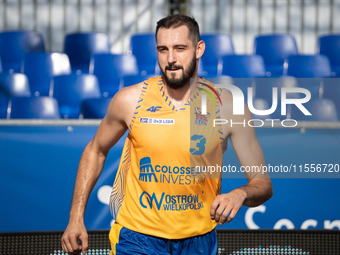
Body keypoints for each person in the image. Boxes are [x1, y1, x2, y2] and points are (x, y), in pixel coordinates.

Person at [61, 14, 273, 255]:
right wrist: (76, 218)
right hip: (136, 239)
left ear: (198, 49)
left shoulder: (228, 106)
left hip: (199, 242)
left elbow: (263, 184)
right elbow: (95, 150)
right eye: (163, 50)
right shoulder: (130, 100)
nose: (170, 59)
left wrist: (240, 194)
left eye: (180, 48)